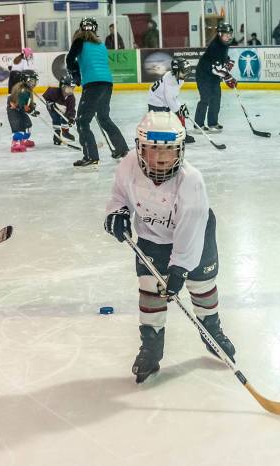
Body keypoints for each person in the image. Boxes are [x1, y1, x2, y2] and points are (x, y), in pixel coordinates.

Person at [104, 111, 236, 383]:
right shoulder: (128, 165)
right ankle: (151, 346)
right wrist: (116, 213)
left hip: (196, 235)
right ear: (140, 148)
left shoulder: (191, 181)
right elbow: (119, 196)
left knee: (201, 283)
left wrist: (179, 269)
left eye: (170, 150)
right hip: (152, 236)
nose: (162, 157)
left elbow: (189, 233)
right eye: (154, 149)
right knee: (151, 288)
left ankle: (210, 328)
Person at [66, 17, 131, 168]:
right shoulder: (101, 44)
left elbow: (69, 60)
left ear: (81, 29)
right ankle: (122, 149)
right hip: (107, 84)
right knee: (103, 117)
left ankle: (90, 156)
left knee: (82, 121)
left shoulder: (79, 41)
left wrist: (76, 76)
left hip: (92, 84)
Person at [194, 23, 237, 133]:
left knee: (216, 98)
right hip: (204, 75)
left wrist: (227, 61)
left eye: (230, 34)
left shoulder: (224, 43)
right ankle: (198, 125)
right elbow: (216, 70)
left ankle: (212, 123)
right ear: (220, 34)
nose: (229, 36)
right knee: (205, 99)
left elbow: (221, 59)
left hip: (212, 76)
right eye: (226, 34)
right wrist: (228, 77)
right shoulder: (215, 46)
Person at [147, 57, 196, 144]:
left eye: (187, 70)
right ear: (176, 71)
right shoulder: (170, 81)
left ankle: (183, 134)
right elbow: (169, 100)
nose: (186, 74)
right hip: (156, 101)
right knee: (159, 129)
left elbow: (173, 97)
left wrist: (180, 107)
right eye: (184, 71)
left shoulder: (178, 78)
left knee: (180, 114)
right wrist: (178, 110)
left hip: (164, 100)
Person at [7, 70, 39, 153]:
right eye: (32, 81)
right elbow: (21, 106)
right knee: (19, 127)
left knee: (28, 125)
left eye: (35, 81)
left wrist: (32, 107)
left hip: (20, 111)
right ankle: (15, 144)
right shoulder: (22, 91)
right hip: (14, 111)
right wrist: (32, 111)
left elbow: (26, 104)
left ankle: (24, 141)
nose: (34, 84)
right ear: (25, 80)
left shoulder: (27, 90)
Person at [43, 73, 78, 145]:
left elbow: (71, 109)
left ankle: (65, 132)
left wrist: (71, 118)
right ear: (62, 86)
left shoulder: (71, 98)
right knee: (56, 118)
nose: (71, 91)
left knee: (66, 118)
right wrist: (49, 103)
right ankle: (57, 134)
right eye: (69, 88)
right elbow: (46, 96)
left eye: (72, 88)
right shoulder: (53, 91)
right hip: (53, 107)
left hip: (64, 109)